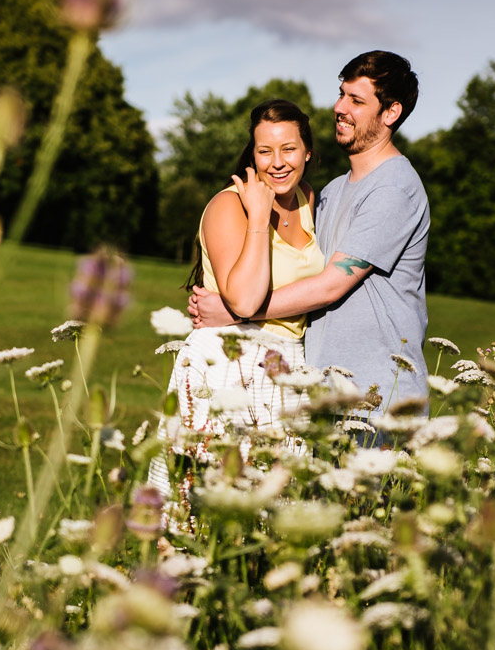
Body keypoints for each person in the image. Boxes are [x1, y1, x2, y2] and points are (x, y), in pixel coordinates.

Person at [189, 50, 429, 419]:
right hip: (318, 393)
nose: (339, 107)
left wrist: (237, 312)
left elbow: (329, 286)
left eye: (356, 100)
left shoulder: (393, 189)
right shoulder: (329, 192)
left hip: (379, 398)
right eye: (341, 93)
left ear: (391, 113)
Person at [150, 99, 325, 508]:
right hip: (228, 362)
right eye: (265, 151)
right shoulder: (230, 205)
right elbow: (244, 299)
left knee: (278, 514)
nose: (277, 162)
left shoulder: (308, 200)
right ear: (253, 154)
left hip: (289, 368)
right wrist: (258, 217)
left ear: (307, 153)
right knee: (200, 508)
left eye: (289, 149)